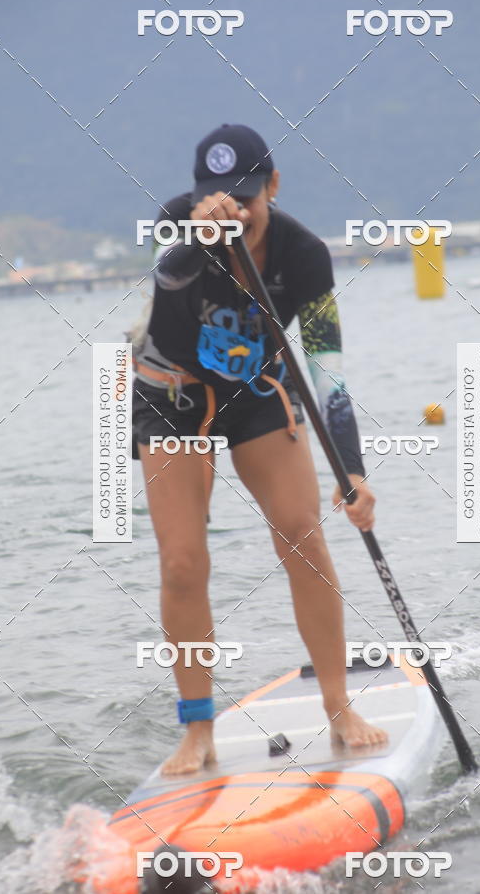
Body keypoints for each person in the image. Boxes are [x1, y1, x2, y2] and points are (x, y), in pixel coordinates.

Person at [132, 124, 388, 775]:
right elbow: (166, 298)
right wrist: (199, 236)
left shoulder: (305, 255)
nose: (234, 208)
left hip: (257, 393)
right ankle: (197, 731)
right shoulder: (177, 232)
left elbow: (327, 367)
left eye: (247, 195)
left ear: (274, 185)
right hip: (174, 394)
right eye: (219, 196)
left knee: (303, 532)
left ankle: (338, 705)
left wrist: (352, 469)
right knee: (183, 563)